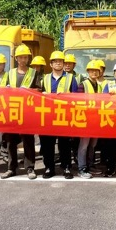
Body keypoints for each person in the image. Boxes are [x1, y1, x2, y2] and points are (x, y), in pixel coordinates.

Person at [2, 45, 40, 180]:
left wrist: (29, 91)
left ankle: (30, 168)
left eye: (25, 57)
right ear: (16, 59)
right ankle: (11, 168)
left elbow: (39, 91)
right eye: (21, 57)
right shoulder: (10, 73)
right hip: (12, 111)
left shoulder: (33, 73)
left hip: (27, 112)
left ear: (28, 59)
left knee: (28, 141)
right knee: (10, 141)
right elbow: (2, 90)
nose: (23, 60)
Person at [40, 51, 79, 179]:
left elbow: (76, 98)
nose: (58, 63)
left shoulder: (70, 78)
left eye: (60, 61)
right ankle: (49, 168)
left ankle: (66, 167)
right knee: (47, 144)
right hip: (48, 116)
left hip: (64, 116)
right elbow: (38, 96)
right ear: (51, 64)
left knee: (65, 144)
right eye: (55, 61)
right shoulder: (45, 79)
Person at [77, 60, 102, 178]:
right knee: (84, 145)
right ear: (88, 72)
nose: (94, 73)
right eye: (92, 70)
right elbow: (78, 102)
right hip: (85, 120)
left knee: (92, 145)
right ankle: (82, 168)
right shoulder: (83, 85)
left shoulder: (99, 86)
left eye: (96, 71)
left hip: (95, 120)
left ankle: (90, 165)